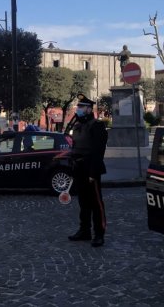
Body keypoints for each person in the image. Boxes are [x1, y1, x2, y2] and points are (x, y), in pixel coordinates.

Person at [67, 94, 109, 247]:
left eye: (81, 107)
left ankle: (99, 234)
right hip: (79, 168)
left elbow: (98, 152)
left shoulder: (96, 125)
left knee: (96, 203)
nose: (78, 109)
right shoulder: (78, 126)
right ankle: (84, 230)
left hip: (91, 169)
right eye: (78, 106)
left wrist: (92, 172)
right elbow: (75, 147)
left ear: (89, 109)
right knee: (83, 202)